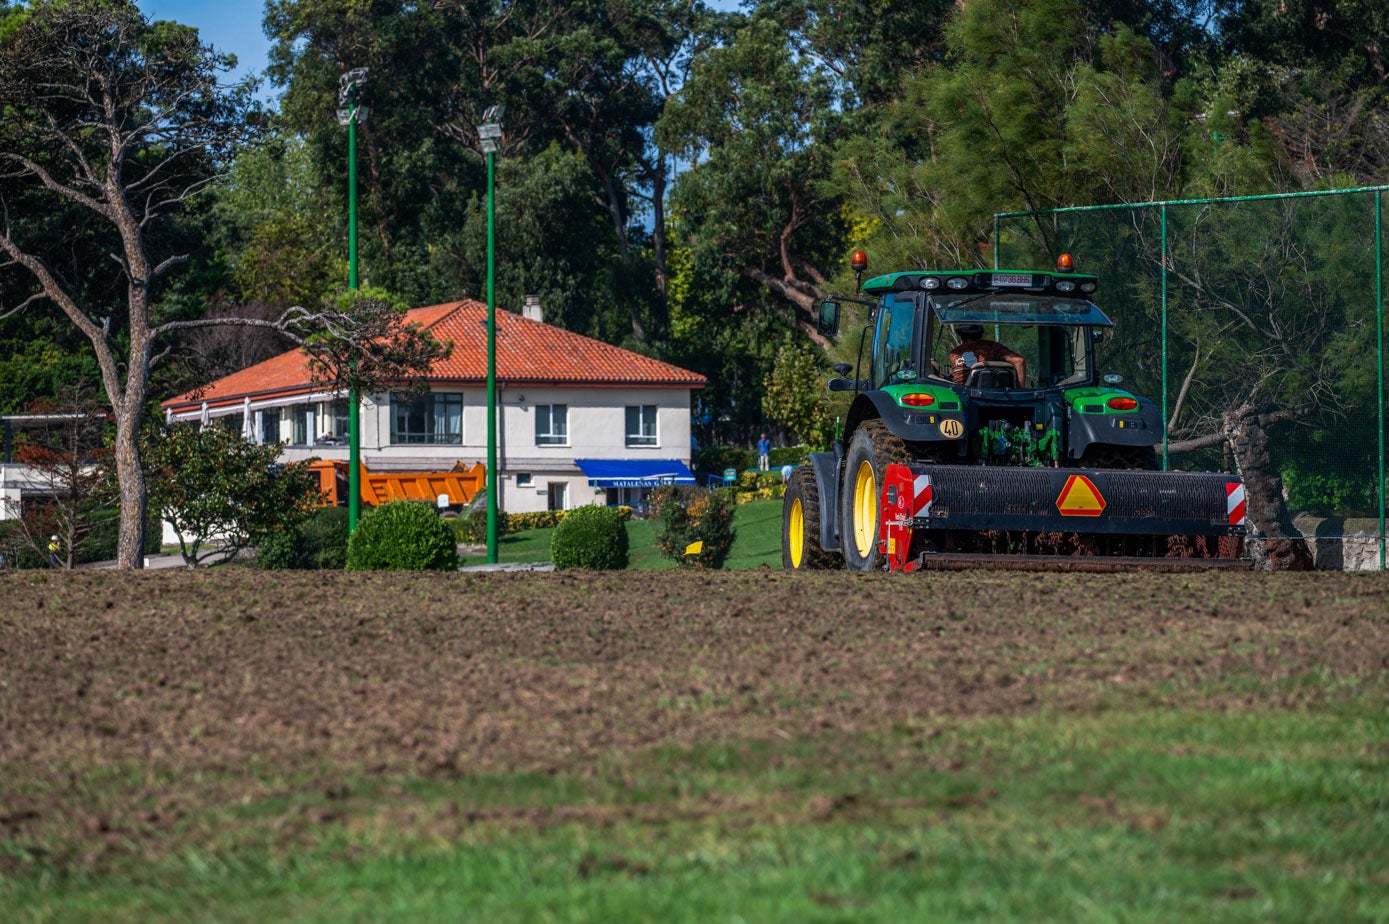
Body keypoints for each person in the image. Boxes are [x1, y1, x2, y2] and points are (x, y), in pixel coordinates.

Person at [949, 324, 1026, 386]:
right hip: (998, 396)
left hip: (963, 397)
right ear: (980, 333)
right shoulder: (992, 347)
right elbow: (1019, 361)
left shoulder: (954, 353)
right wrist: (1020, 392)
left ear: (961, 335)